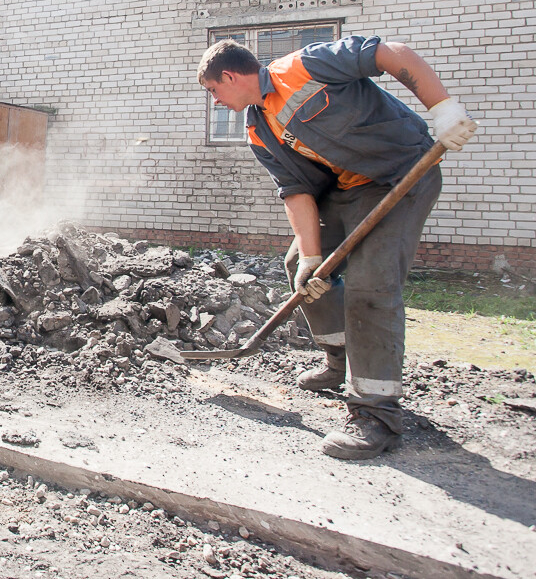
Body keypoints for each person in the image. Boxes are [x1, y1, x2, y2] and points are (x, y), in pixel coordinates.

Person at [196, 35, 477, 459]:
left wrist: (442, 108)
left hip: (399, 177)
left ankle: (376, 415)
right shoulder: (258, 129)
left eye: (213, 90)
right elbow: (296, 191)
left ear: (231, 76)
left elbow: (389, 53)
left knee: (371, 286)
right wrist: (312, 257)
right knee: (301, 268)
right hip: (345, 191)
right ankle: (340, 361)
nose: (215, 101)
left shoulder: (304, 67)